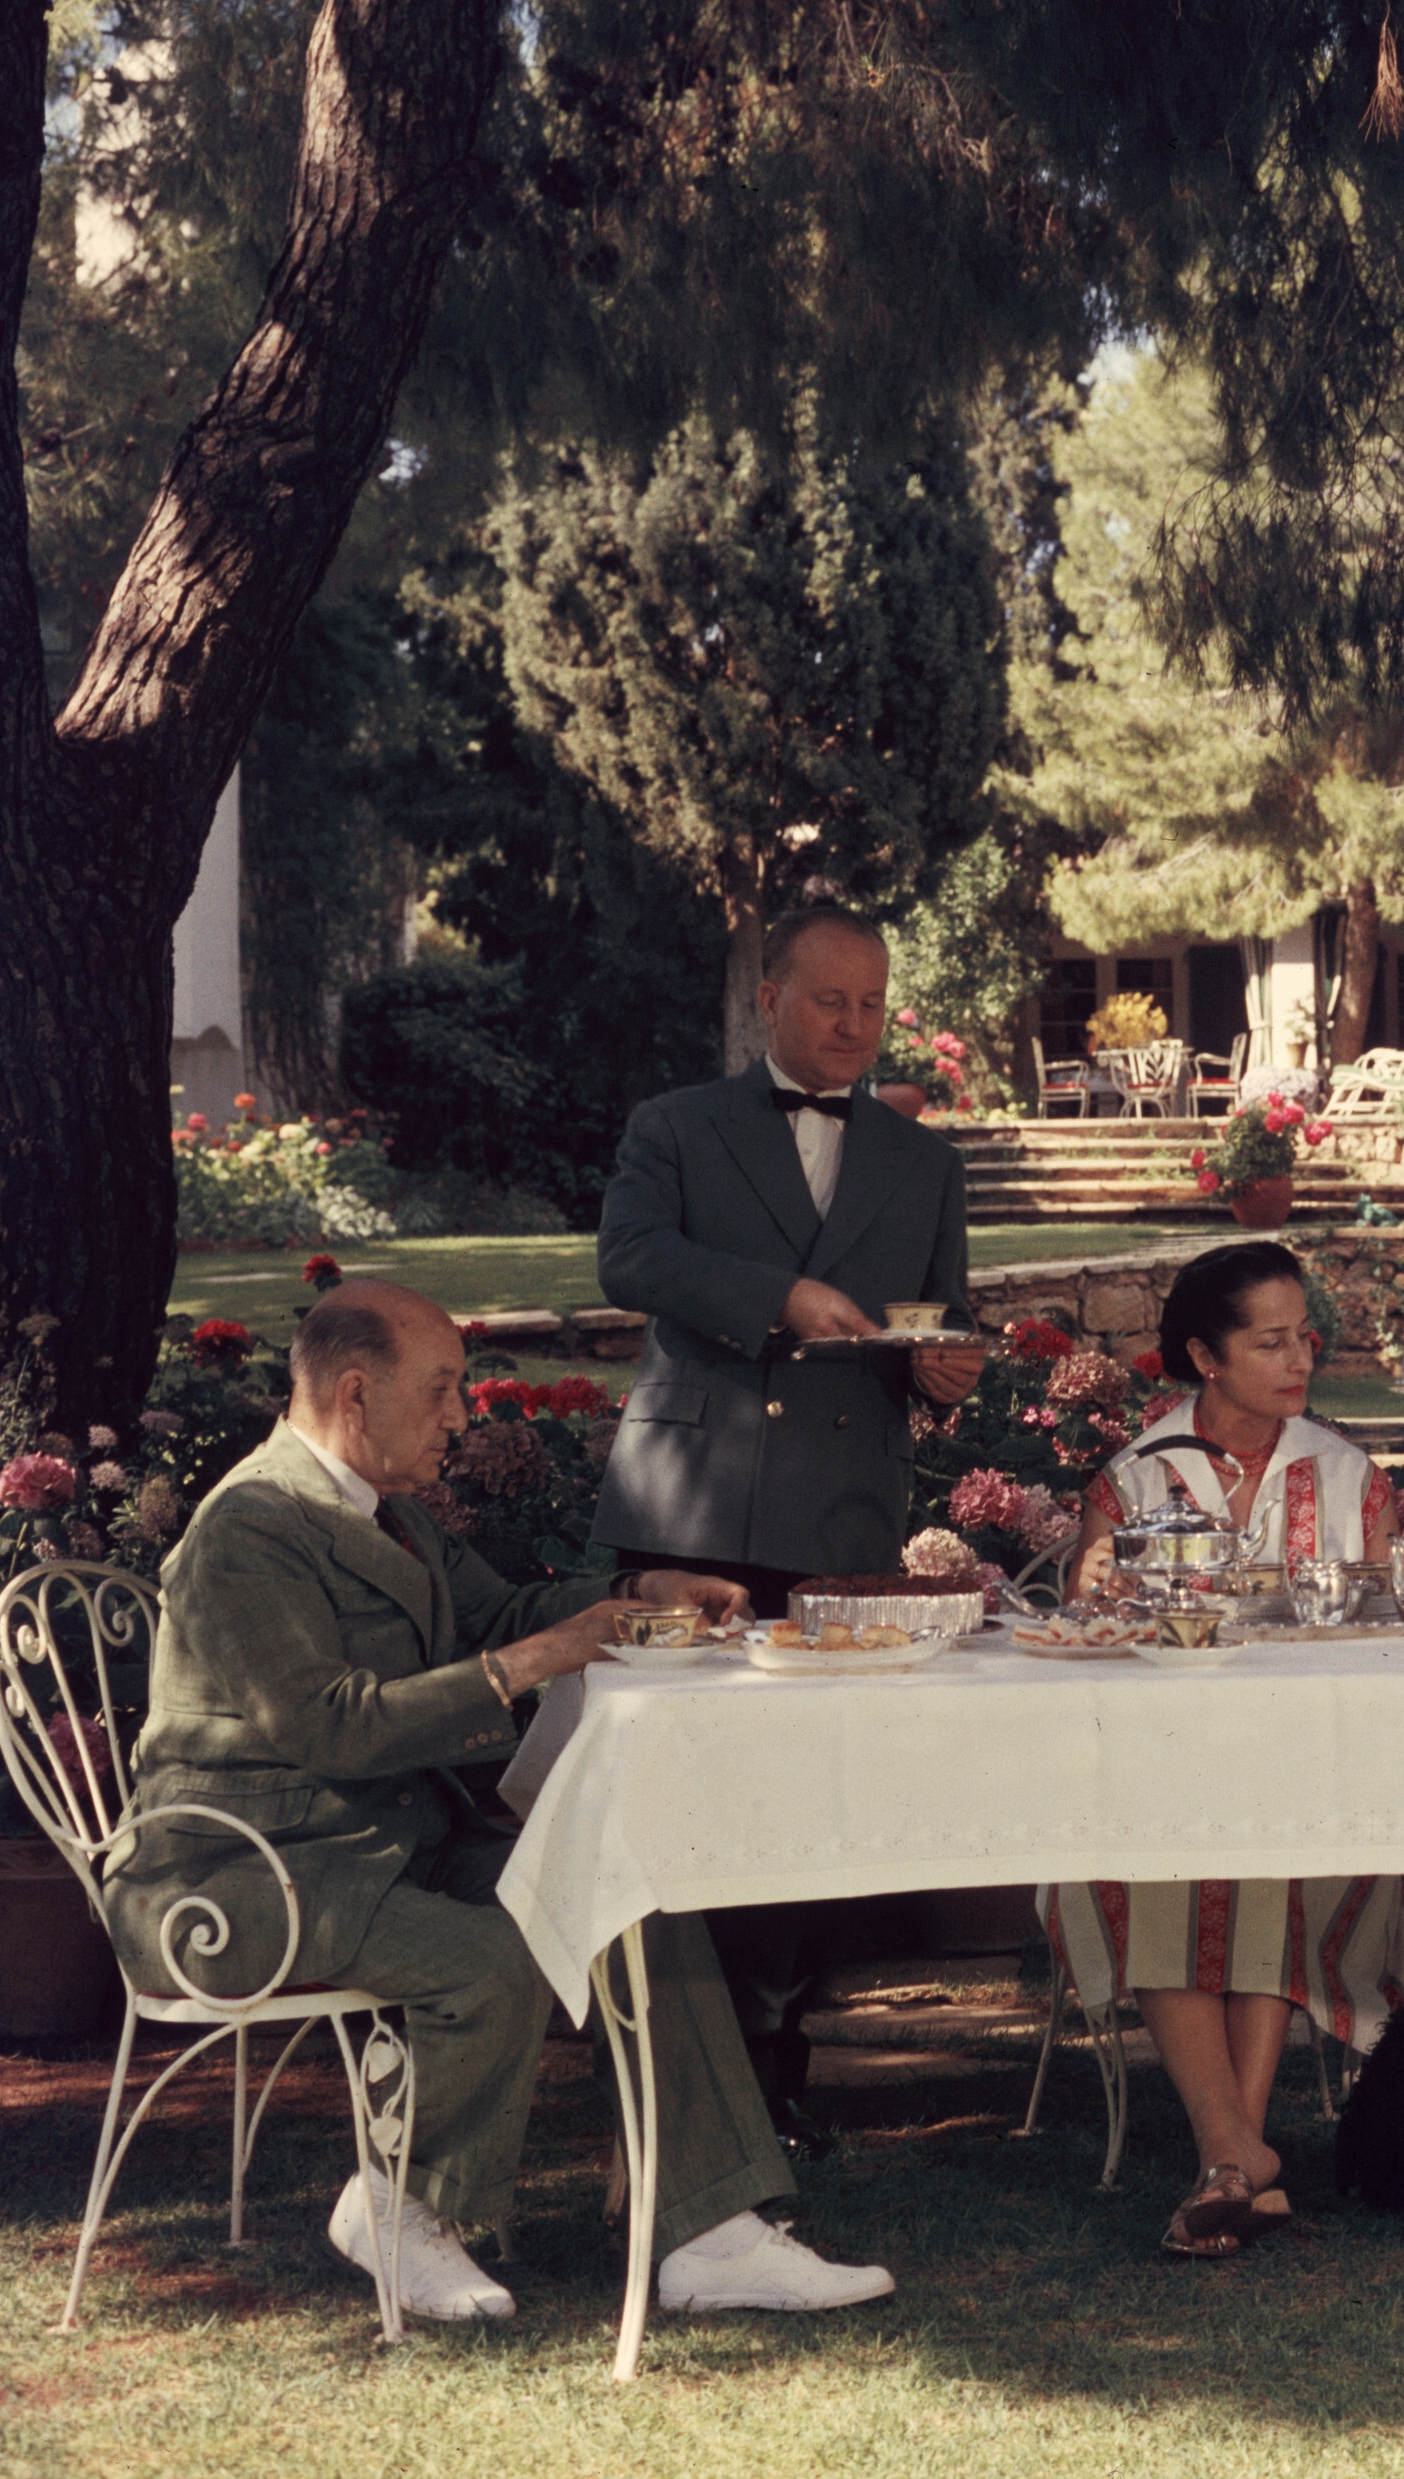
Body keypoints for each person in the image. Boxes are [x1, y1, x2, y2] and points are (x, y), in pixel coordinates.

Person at [100, 1281, 894, 2326]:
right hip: (237, 1877)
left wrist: (642, 1591)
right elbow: (333, 1727)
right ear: (352, 1394)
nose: (461, 1418)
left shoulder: (392, 1516)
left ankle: (710, 2230)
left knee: (627, 1895)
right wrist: (535, 1660)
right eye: (441, 1392)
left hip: (378, 1852)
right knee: (499, 1954)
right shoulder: (249, 1530)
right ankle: (395, 2209)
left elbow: (505, 1611)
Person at [591, 900, 987, 2146]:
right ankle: (666, 2062)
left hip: (839, 1513)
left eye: (872, 1005)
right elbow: (631, 1260)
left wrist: (941, 1370)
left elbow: (941, 1317)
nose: (854, 1028)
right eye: (830, 1001)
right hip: (690, 1513)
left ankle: (775, 2055)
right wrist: (780, 1299)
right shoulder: (676, 1127)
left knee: (811, 1798)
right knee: (682, 1790)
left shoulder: (925, 1162)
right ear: (770, 999)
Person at [1048, 1241, 1404, 2258]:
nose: (1299, 1361)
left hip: (1318, 1775)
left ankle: (1227, 2164)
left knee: (1271, 1858)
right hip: (1160, 1774)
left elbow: (1390, 1633)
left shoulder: (1347, 1475)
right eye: (1270, 1341)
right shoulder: (1133, 1479)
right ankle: (1239, 2157)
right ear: (1207, 1358)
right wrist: (1098, 1586)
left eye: (1304, 1337)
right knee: (1158, 1861)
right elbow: (1090, 1614)